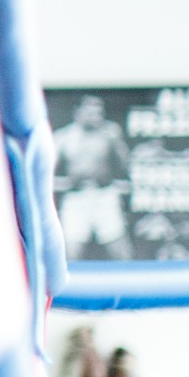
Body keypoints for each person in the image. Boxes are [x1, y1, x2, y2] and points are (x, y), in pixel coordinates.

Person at [52, 95, 132, 260]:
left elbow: (125, 166)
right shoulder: (63, 137)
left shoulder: (109, 133)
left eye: (98, 113)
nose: (95, 117)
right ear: (78, 112)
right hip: (76, 197)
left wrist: (117, 142)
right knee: (71, 253)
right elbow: (45, 173)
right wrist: (64, 184)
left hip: (104, 195)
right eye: (90, 112)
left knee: (121, 253)